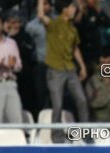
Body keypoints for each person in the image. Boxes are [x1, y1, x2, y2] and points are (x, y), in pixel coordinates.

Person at [37, 0, 89, 142]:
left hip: (70, 68)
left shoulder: (73, 28)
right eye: (73, 7)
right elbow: (41, 16)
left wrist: (82, 66)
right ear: (65, 9)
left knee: (82, 100)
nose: (75, 10)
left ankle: (85, 133)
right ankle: (56, 136)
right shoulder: (54, 24)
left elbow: (75, 48)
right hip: (55, 70)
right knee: (57, 104)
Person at [0, 11, 23, 124]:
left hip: (10, 83)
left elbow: (19, 66)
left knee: (17, 119)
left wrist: (12, 65)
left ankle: (17, 141)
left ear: (3, 25)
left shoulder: (11, 43)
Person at [26, 0, 54, 116]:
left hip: (56, 65)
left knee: (55, 97)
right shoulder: (31, 26)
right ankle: (40, 125)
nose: (44, 6)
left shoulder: (58, 21)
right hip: (40, 65)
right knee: (40, 96)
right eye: (42, 4)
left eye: (47, 4)